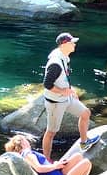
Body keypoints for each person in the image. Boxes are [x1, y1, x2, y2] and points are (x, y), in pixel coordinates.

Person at [41, 32, 99, 160]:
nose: (74, 44)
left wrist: (70, 90)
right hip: (55, 102)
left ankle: (84, 142)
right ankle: (46, 160)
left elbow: (64, 77)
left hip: (66, 98)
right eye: (72, 42)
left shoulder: (64, 57)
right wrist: (64, 92)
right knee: (51, 132)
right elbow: (47, 84)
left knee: (85, 113)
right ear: (64, 44)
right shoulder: (55, 63)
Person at [5, 134, 91, 175]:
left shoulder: (25, 154)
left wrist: (55, 164)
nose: (27, 141)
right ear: (23, 142)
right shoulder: (27, 153)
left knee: (78, 156)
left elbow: (42, 166)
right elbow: (39, 168)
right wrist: (55, 166)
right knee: (87, 163)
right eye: (25, 139)